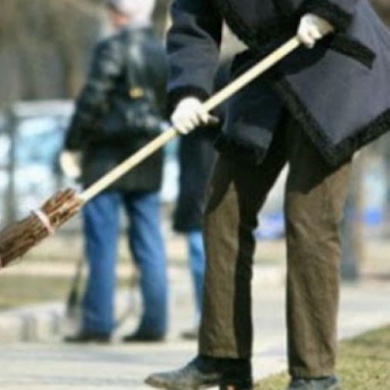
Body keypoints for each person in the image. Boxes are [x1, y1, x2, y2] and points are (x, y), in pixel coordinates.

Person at [146, 0, 390, 389]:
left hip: (333, 59)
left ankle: (314, 374)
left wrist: (327, 9)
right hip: (271, 67)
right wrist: (188, 92)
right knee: (223, 208)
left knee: (308, 220)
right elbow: (193, 22)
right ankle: (223, 357)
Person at [60, 0, 169, 343]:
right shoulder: (161, 49)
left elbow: (92, 99)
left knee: (101, 243)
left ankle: (98, 322)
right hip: (149, 154)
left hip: (108, 156)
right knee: (149, 240)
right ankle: (154, 322)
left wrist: (72, 143)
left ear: (121, 14)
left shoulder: (113, 48)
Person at [173, 61, 230, 341]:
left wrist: (214, 112)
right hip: (197, 168)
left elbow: (239, 108)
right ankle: (205, 316)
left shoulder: (229, 66)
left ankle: (213, 319)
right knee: (199, 248)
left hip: (213, 171)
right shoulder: (189, 67)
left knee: (205, 250)